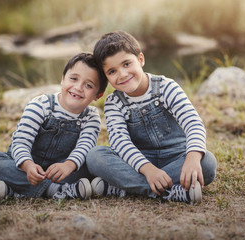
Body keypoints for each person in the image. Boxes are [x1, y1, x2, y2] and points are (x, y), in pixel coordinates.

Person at [86, 31, 217, 204]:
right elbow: (121, 143)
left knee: (207, 163)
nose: (122, 74)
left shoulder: (166, 87)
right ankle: (168, 191)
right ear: (106, 76)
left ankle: (121, 188)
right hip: (138, 163)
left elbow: (193, 123)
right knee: (95, 156)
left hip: (176, 156)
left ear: (140, 59)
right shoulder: (113, 103)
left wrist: (192, 158)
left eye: (126, 64)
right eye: (112, 71)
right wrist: (148, 170)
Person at [0, 52, 108, 200]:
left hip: (61, 170)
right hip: (25, 166)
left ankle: (16, 190)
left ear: (98, 95)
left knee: (91, 164)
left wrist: (68, 165)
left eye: (88, 85)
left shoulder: (91, 116)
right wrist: (27, 166)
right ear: (62, 80)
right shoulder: (41, 104)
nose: (78, 87)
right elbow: (21, 141)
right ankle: (54, 190)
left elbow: (84, 147)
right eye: (73, 79)